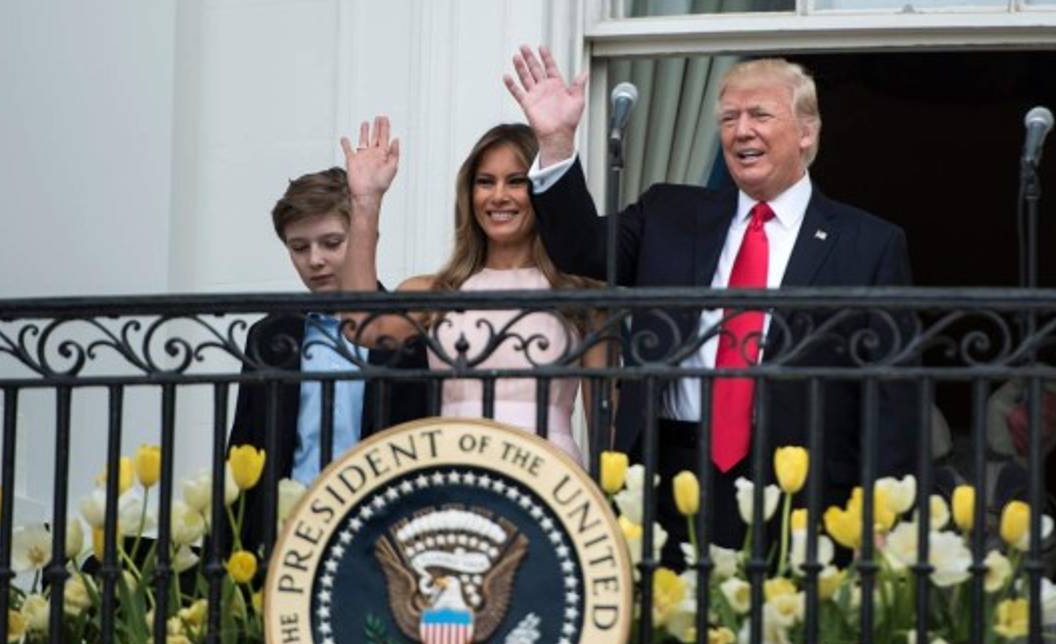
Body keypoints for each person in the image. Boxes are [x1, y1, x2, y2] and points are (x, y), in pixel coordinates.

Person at [505, 48, 917, 550]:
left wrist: (885, 509)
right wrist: (555, 143)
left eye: (760, 115)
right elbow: (582, 248)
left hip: (802, 485)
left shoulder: (868, 243)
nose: (742, 130)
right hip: (669, 472)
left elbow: (893, 393)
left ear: (806, 132)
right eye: (729, 118)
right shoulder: (670, 212)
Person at [334, 117, 607, 463]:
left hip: (551, 477)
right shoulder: (437, 292)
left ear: (540, 189)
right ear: (469, 193)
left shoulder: (582, 293)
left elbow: (605, 421)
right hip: (458, 470)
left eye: (516, 182)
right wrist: (365, 203)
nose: (498, 196)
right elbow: (360, 324)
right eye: (485, 182)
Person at [228, 168, 428, 550]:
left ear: (363, 239)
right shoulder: (270, 336)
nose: (315, 260)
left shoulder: (404, 327)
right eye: (299, 248)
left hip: (383, 530)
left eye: (331, 243)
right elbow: (246, 444)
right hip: (290, 526)